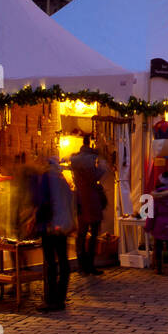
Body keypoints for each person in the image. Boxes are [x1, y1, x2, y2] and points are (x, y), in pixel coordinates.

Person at [32, 155, 75, 312]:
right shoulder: (62, 178)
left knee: (51, 263)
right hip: (63, 225)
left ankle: (51, 299)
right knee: (63, 261)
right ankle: (60, 296)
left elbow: (42, 201)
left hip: (50, 225)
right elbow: (70, 199)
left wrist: (39, 222)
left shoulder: (46, 178)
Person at [70, 134, 107, 276]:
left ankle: (81, 266)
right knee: (93, 234)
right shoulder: (91, 159)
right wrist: (102, 165)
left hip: (80, 198)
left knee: (81, 233)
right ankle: (89, 265)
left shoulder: (75, 159)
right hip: (91, 199)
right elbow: (96, 175)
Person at [145, 172, 168, 273]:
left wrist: (148, 226)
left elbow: (151, 213)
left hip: (159, 224)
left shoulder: (156, 197)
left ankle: (159, 268)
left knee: (158, 246)